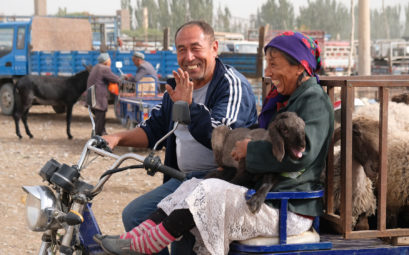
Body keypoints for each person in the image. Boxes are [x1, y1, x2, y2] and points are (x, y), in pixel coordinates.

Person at [94, 31, 334, 255]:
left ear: (299, 66)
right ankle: (137, 238)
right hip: (267, 197)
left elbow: (301, 152)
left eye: (274, 65)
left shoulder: (313, 100)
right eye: (181, 50)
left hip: (288, 205)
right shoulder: (286, 99)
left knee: (208, 192)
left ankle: (145, 244)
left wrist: (249, 150)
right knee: (194, 185)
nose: (268, 73)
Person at [99, 20, 258, 255]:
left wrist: (189, 106)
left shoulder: (231, 85)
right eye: (181, 49)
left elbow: (223, 140)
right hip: (183, 179)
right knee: (134, 214)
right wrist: (118, 138)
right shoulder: (177, 85)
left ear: (214, 48)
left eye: (196, 48)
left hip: (219, 181)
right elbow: (154, 129)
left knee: (182, 246)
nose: (189, 56)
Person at [87, 52, 121, 136]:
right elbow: (115, 79)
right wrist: (123, 78)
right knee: (100, 120)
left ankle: (102, 134)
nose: (110, 63)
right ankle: (97, 138)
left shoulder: (96, 67)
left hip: (92, 98)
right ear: (106, 62)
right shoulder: (104, 69)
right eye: (110, 61)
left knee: (99, 120)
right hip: (99, 99)